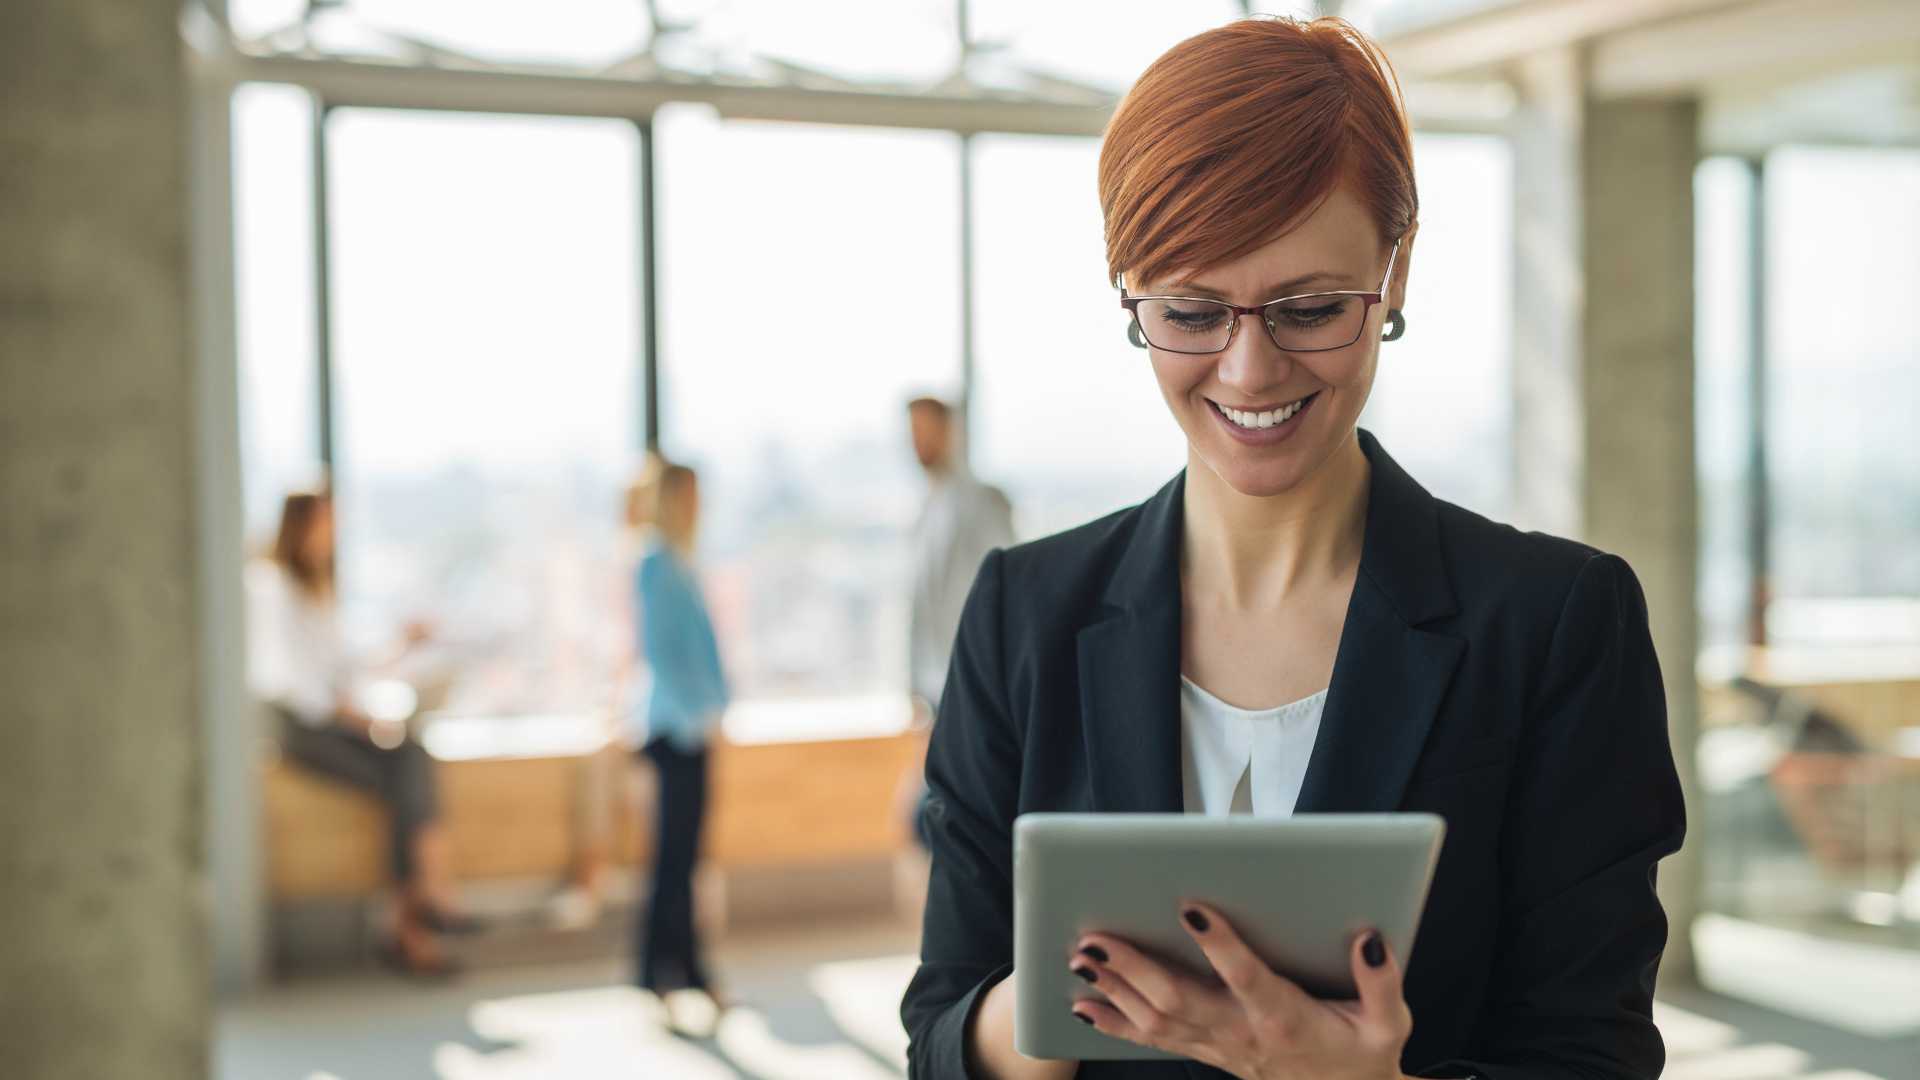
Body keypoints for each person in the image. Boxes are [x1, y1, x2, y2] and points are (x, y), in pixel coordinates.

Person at [900, 16, 1684, 1080]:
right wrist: (1050, 1014)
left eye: (1312, 308)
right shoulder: (1022, 613)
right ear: (1132, 293)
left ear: (1394, 273)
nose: (1250, 370)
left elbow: (1593, 1058)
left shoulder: (1552, 626)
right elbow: (940, 1029)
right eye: (1192, 310)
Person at [246, 488, 472, 978]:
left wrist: (402, 644)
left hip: (333, 720)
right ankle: (424, 906)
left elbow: (344, 669)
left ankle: (412, 922)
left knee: (409, 766)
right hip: (303, 730)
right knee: (407, 770)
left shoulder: (318, 588)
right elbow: (305, 687)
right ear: (301, 526)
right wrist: (361, 721)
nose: (332, 535)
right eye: (325, 523)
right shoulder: (273, 586)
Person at [628, 461, 730, 1031]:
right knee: (670, 860)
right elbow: (664, 652)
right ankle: (656, 972)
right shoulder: (654, 564)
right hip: (675, 729)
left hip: (696, 727)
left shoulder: (681, 562)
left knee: (688, 860)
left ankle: (690, 969)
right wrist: (701, 712)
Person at [902, 397, 1015, 846]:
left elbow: (1000, 594)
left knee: (950, 817)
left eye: (926, 431)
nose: (917, 443)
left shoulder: (982, 502)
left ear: (951, 432)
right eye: (911, 432)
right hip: (934, 689)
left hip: (969, 683)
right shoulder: (927, 508)